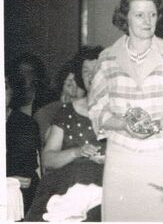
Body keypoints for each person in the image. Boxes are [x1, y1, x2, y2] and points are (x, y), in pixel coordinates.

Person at [88, 0, 163, 222]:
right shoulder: (107, 57)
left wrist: (156, 125)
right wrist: (122, 124)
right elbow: (97, 108)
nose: (147, 21)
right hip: (122, 159)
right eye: (139, 15)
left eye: (153, 14)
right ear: (125, 17)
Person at [25, 46, 105, 222]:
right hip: (65, 184)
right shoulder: (67, 111)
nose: (91, 76)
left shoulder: (120, 111)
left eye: (97, 69)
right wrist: (77, 152)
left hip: (107, 185)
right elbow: (47, 159)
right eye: (86, 71)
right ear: (80, 76)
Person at [6, 68, 41, 216]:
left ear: (12, 91)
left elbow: (25, 177)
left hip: (17, 193)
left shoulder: (24, 124)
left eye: (5, 86)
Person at [34, 59, 85, 147]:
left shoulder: (92, 110)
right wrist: (66, 109)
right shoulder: (45, 113)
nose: (74, 91)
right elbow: (49, 144)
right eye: (69, 85)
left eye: (78, 85)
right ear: (61, 87)